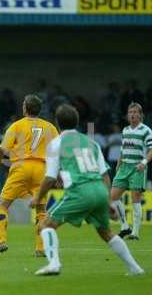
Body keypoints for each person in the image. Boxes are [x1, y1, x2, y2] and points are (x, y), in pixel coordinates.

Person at [30, 104, 144, 276]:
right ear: (77, 122)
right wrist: (109, 201)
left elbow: (50, 178)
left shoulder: (56, 144)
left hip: (79, 191)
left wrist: (37, 197)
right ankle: (135, 268)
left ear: (57, 122)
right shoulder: (92, 143)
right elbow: (105, 175)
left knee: (45, 225)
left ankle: (54, 264)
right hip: (99, 189)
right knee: (106, 232)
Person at [0, 95, 58, 258]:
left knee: (2, 205)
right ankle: (40, 248)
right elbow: (57, 152)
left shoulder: (17, 126)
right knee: (41, 210)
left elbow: (2, 149)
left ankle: (1, 240)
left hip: (21, 167)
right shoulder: (50, 127)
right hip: (42, 169)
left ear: (25, 108)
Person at [111, 102, 152, 240]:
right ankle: (124, 226)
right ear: (127, 115)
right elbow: (123, 150)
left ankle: (135, 232)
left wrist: (144, 162)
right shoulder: (125, 130)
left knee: (135, 200)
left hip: (137, 167)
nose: (133, 114)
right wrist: (118, 164)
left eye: (135, 112)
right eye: (130, 112)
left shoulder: (146, 130)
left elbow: (151, 150)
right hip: (124, 167)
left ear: (140, 115)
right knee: (113, 196)